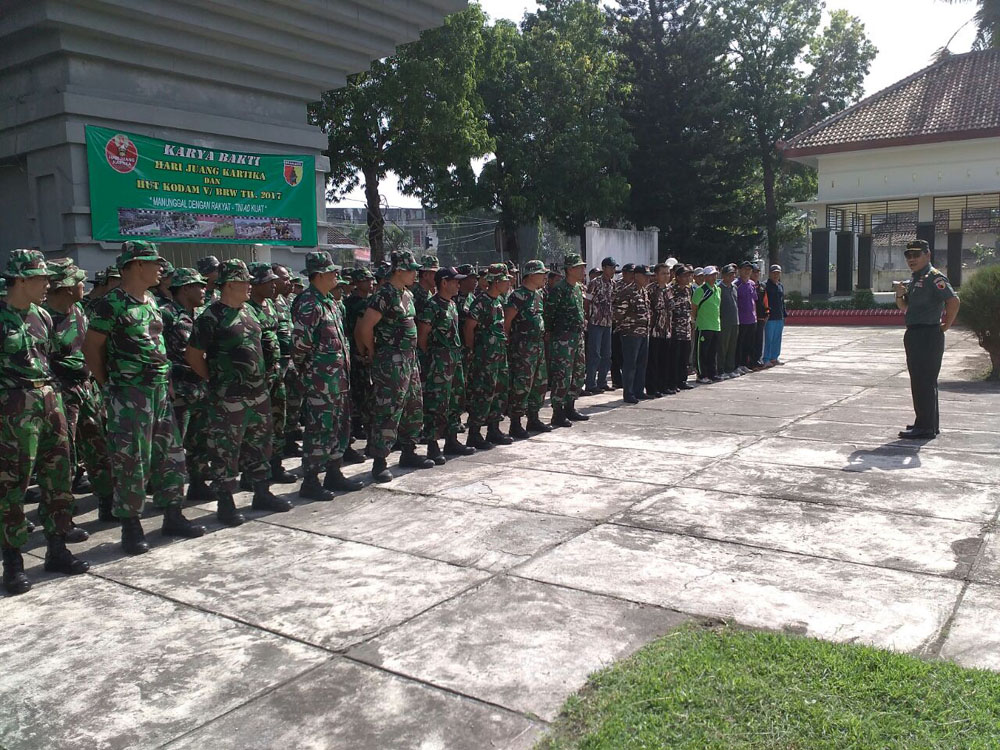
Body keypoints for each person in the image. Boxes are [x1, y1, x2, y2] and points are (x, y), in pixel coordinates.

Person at [83, 240, 204, 555]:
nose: (160, 268)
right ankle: (131, 526)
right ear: (136, 265)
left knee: (169, 456)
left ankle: (172, 514)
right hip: (129, 394)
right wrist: (110, 384)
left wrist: (167, 382)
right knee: (131, 461)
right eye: (154, 263)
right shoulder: (112, 304)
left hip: (160, 391)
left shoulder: (150, 300)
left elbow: (157, 345)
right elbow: (92, 349)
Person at [1, 250, 88, 594]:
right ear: (20, 280)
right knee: (12, 485)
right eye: (40, 279)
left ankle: (57, 548)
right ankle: (13, 562)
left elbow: (47, 358)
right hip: (11, 408)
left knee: (58, 475)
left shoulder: (42, 316)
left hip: (50, 402)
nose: (47, 285)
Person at [186, 259, 290, 525]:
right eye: (245, 282)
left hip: (258, 394)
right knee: (225, 451)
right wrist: (215, 379)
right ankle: (226, 503)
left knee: (259, 446)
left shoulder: (250, 312)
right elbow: (194, 355)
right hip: (227, 398)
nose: (249, 287)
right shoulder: (211, 317)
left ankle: (261, 492)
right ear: (230, 284)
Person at [43, 259, 114, 536]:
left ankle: (107, 502)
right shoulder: (44, 317)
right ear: (64, 287)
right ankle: (64, 519)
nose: (83, 285)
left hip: (87, 388)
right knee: (65, 457)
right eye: (77, 281)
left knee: (99, 446)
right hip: (61, 394)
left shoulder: (80, 311)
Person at [356, 249, 435, 482]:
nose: (415, 274)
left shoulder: (406, 294)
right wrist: (373, 351)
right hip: (391, 362)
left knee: (413, 406)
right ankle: (380, 461)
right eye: (412, 270)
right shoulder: (385, 295)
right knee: (388, 410)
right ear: (399, 270)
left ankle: (409, 451)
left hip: (409, 361)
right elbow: (364, 328)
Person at [291, 252, 365, 497]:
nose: (337, 274)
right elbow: (300, 346)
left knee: (339, 428)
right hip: (320, 382)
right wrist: (311, 373)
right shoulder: (308, 303)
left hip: (339, 380)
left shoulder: (331, 302)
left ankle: (334, 473)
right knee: (319, 430)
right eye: (332, 271)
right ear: (319, 275)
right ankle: (311, 480)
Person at [894, 239, 960, 440]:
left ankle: (925, 426)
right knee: (920, 380)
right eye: (909, 256)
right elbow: (905, 307)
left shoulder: (934, 277)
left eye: (916, 255)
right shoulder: (916, 278)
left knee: (924, 380)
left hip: (928, 334)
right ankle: (927, 423)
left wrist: (945, 326)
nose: (912, 259)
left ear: (927, 255)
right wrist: (899, 295)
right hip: (915, 333)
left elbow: (953, 301)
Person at [417, 266, 476, 460]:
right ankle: (433, 446)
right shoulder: (432, 306)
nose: (458, 284)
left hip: (454, 358)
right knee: (437, 403)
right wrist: (434, 359)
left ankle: (451, 441)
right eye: (455, 281)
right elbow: (422, 338)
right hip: (439, 361)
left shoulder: (451, 304)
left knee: (455, 400)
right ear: (444, 283)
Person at [247, 263, 297, 484]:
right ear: (255, 284)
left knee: (278, 419)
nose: (273, 285)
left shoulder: (271, 305)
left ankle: (275, 465)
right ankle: (252, 472)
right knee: (255, 427)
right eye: (268, 281)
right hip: (255, 377)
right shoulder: (246, 308)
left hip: (276, 371)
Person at [464, 263, 513, 448]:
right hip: (484, 358)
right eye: (505, 280)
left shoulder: (498, 301)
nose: (508, 283)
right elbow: (469, 328)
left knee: (499, 392)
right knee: (482, 394)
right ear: (496, 282)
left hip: (499, 356)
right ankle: (475, 434)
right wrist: (472, 350)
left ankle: (494, 429)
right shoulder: (481, 302)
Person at [505, 260, 550, 439]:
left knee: (539, 384)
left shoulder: (538, 294)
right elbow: (507, 322)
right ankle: (515, 422)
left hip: (537, 346)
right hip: (523, 348)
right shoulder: (518, 296)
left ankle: (534, 417)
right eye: (541, 274)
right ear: (531, 275)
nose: (545, 277)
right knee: (521, 385)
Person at [546, 254, 590, 425]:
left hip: (577, 337)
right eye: (579, 267)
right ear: (570, 269)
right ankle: (558, 412)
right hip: (563, 338)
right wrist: (550, 333)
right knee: (562, 375)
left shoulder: (578, 288)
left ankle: (570, 407)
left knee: (578, 373)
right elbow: (549, 313)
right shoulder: (559, 289)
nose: (583, 270)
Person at [344, 267, 375, 459]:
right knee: (366, 399)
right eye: (366, 279)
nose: (370, 282)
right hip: (359, 356)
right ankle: (370, 440)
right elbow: (357, 331)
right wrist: (364, 352)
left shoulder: (359, 302)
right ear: (357, 282)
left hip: (355, 356)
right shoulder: (357, 304)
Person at [613, 263, 651, 404]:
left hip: (643, 333)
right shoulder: (627, 292)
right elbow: (618, 314)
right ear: (637, 276)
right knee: (630, 364)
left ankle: (639, 390)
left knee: (641, 364)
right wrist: (626, 327)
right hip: (630, 333)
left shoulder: (644, 291)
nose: (648, 279)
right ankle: (628, 393)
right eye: (645, 276)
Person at [585, 256, 617, 394]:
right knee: (594, 354)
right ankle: (590, 383)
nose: (613, 270)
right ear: (604, 268)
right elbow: (586, 301)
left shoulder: (613, 284)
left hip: (608, 323)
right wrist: (586, 318)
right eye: (611, 267)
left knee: (606, 354)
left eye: (614, 268)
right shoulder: (594, 283)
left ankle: (602, 382)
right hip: (595, 322)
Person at [667, 264, 695, 391]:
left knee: (684, 357)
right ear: (677, 277)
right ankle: (672, 383)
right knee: (674, 359)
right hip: (675, 330)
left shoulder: (688, 290)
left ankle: (682, 381)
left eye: (689, 275)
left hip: (686, 329)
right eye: (684, 275)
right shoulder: (671, 290)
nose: (687, 278)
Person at [692, 265, 722, 383]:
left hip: (715, 325)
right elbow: (694, 307)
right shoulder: (701, 290)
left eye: (715, 274)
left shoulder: (718, 289)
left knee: (712, 352)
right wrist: (693, 320)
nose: (714, 277)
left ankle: (712, 373)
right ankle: (701, 374)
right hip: (704, 325)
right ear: (705, 277)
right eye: (711, 275)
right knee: (702, 352)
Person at [646, 263, 672, 396]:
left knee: (664, 360)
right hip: (654, 330)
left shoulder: (669, 289)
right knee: (653, 361)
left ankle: (663, 386)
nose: (666, 276)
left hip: (666, 330)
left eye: (668, 273)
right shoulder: (650, 289)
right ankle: (652, 388)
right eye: (663, 273)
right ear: (656, 275)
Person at [734, 260, 758, 373]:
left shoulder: (752, 284)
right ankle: (738, 364)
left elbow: (754, 300)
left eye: (749, 270)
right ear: (740, 270)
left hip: (751, 319)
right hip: (741, 319)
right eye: (745, 269)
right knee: (740, 343)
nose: (747, 272)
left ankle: (744, 364)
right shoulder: (736, 284)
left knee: (749, 343)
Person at [717, 264, 739, 378]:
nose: (732, 276)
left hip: (735, 321)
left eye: (733, 274)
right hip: (724, 322)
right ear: (723, 275)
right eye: (729, 274)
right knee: (722, 347)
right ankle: (720, 370)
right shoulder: (719, 288)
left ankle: (730, 368)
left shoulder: (734, 287)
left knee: (732, 346)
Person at [763, 264, 786, 367]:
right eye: (774, 273)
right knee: (768, 339)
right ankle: (766, 358)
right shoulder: (765, 286)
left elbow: (782, 301)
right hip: (770, 317)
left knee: (777, 338)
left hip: (779, 316)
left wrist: (784, 314)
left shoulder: (780, 286)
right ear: (770, 273)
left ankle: (774, 357)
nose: (775, 275)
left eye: (778, 273)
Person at [750, 265, 769, 369]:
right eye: (754, 272)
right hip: (751, 317)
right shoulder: (749, 285)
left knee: (759, 340)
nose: (756, 274)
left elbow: (765, 301)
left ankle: (757, 359)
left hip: (761, 317)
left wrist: (767, 313)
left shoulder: (762, 286)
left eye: (757, 272)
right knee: (751, 340)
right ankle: (751, 361)